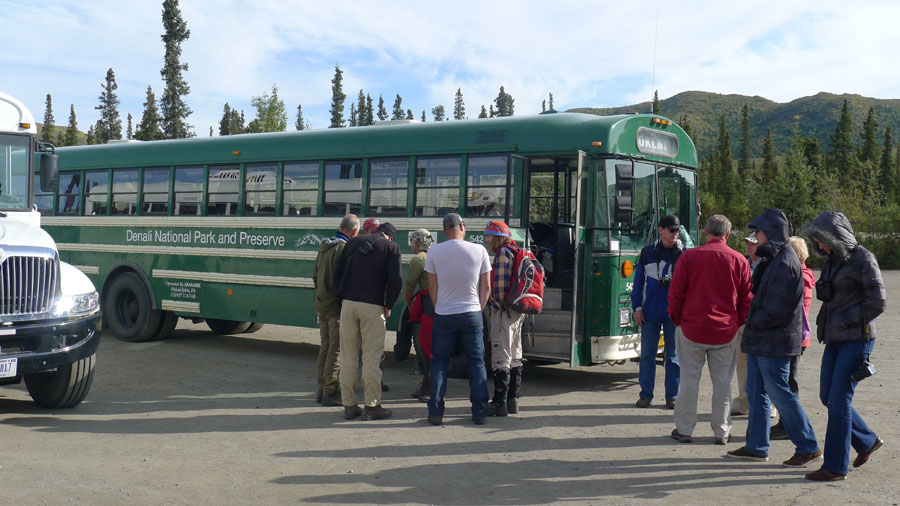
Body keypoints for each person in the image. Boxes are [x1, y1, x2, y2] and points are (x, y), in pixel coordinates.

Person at [726, 209, 821, 468]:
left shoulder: (785, 262)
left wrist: (751, 323)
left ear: (771, 232)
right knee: (757, 393)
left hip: (774, 342)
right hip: (763, 341)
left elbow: (777, 310)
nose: (755, 238)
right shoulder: (775, 259)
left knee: (781, 394)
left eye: (758, 233)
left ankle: (808, 445)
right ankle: (757, 446)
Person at [803, 211, 886, 481]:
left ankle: (836, 466)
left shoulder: (864, 259)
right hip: (835, 338)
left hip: (857, 339)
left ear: (836, 237)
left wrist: (846, 321)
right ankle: (867, 440)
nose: (821, 247)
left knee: (839, 401)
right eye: (817, 242)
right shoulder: (832, 260)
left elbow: (878, 302)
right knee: (828, 396)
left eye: (823, 241)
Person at [667, 214, 751, 444]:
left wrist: (677, 320)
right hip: (724, 331)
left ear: (706, 232)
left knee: (689, 381)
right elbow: (746, 299)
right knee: (723, 384)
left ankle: (684, 429)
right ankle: (722, 430)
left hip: (691, 328)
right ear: (727, 234)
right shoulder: (739, 260)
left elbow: (675, 293)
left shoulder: (689, 257)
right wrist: (737, 322)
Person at [425, 213, 492, 425]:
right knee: (476, 362)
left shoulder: (434, 251)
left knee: (439, 363)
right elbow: (487, 287)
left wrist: (439, 307)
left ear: (445, 231)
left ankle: (436, 413)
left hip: (444, 314)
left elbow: (432, 286)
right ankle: (479, 413)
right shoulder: (479, 250)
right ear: (462, 226)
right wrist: (478, 309)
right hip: (472, 313)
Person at [334, 222, 402, 421]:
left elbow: (337, 273)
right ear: (390, 236)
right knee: (371, 358)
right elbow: (395, 280)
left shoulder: (353, 243)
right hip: (372, 307)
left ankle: (349, 405)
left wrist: (341, 300)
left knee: (348, 357)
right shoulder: (391, 247)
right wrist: (389, 305)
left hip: (348, 305)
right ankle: (372, 406)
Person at [632, 214, 684, 410]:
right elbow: (637, 284)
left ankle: (672, 396)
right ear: (660, 230)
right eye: (672, 230)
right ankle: (646, 395)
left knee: (673, 357)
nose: (675, 233)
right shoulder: (647, 253)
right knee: (647, 355)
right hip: (650, 312)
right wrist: (637, 308)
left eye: (677, 230)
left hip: (674, 314)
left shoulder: (684, 254)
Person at [767, 236, 816, 439]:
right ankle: (787, 425)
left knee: (788, 383)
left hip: (793, 336)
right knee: (788, 381)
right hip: (797, 336)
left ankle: (789, 426)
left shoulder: (800, 278)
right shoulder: (805, 275)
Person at [313, 214, 359, 406]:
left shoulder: (325, 246)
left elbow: (315, 275)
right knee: (336, 349)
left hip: (322, 303)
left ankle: (321, 387)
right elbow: (344, 280)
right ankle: (330, 391)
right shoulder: (343, 249)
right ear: (354, 230)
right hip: (335, 306)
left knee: (325, 346)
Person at [484, 220, 526, 416]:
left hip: (504, 312)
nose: (487, 239)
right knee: (516, 354)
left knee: (501, 355)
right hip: (518, 310)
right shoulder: (516, 250)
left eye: (489, 236)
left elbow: (500, 287)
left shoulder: (502, 253)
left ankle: (499, 403)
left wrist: (495, 306)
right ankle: (513, 401)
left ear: (497, 237)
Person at [731, 233, 761, 416]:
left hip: (759, 322)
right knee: (742, 365)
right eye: (748, 243)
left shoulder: (767, 265)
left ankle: (769, 406)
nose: (749, 247)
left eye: (753, 244)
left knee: (762, 366)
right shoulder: (743, 263)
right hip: (742, 321)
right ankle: (744, 402)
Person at [406, 228, 435, 402]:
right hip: (438, 304)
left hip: (427, 307)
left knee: (425, 347)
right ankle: (425, 385)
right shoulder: (436, 255)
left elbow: (409, 286)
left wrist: (410, 305)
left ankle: (429, 388)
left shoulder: (418, 260)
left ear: (416, 243)